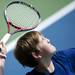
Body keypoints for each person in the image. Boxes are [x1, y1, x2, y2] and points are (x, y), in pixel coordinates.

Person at [0, 31, 75, 75]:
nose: (48, 40)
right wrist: (1, 59)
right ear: (36, 54)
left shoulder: (65, 57)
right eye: (43, 39)